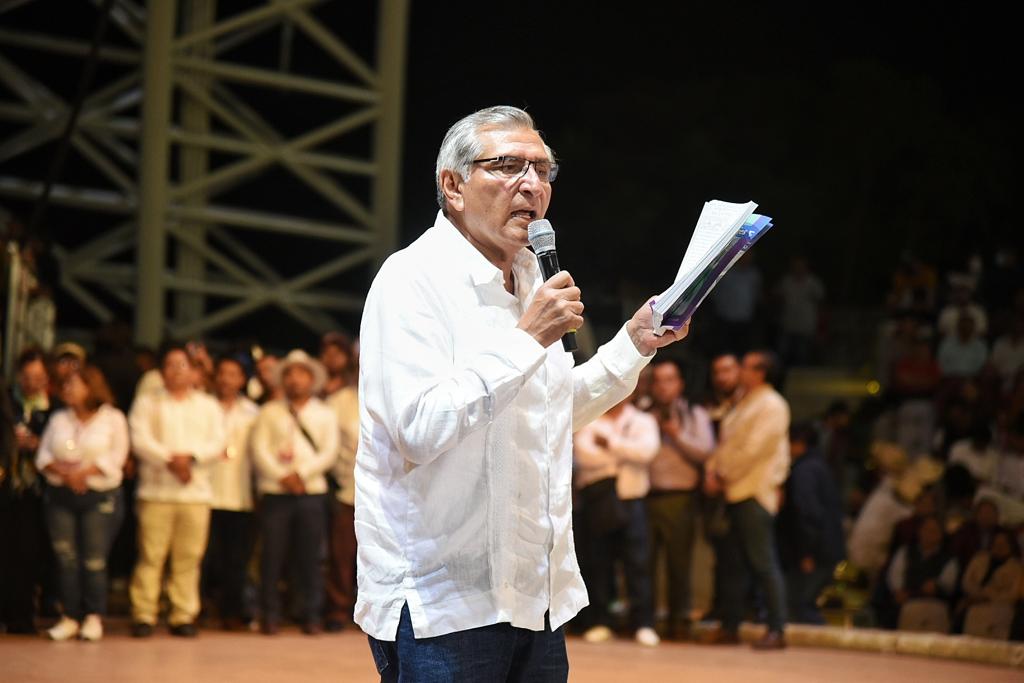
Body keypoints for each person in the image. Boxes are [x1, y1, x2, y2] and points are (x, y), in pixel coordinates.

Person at [355, 106, 689, 681]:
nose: (531, 184)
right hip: (443, 603)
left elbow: (548, 408)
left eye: (542, 170)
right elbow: (419, 428)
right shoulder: (411, 279)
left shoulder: (531, 277)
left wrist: (632, 345)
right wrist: (527, 337)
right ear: (452, 187)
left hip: (533, 594)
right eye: (507, 165)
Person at [128, 345, 226, 638]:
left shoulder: (208, 405)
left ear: (193, 370)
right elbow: (140, 438)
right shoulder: (148, 402)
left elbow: (217, 441)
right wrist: (170, 460)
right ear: (161, 371)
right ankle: (144, 613)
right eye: (170, 365)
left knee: (189, 557)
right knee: (151, 555)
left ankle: (183, 614)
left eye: (182, 365)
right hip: (156, 491)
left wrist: (191, 458)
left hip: (195, 493)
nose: (176, 370)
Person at [703, 350, 790, 649]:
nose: (740, 369)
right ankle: (731, 626)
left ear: (760, 372)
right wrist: (713, 470)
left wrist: (722, 472)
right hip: (735, 491)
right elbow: (727, 444)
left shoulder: (772, 404)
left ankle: (777, 629)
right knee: (733, 565)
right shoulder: (745, 402)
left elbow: (754, 450)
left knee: (763, 563)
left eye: (747, 366)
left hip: (754, 490)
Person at [35, 365, 128, 641]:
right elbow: (43, 456)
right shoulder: (59, 418)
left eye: (73, 384)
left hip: (99, 494)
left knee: (94, 559)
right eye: (65, 385)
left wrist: (85, 473)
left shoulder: (112, 418)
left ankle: (93, 615)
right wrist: (64, 473)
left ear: (91, 387)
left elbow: (117, 457)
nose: (67, 389)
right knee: (66, 558)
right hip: (61, 495)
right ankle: (69, 615)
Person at [251, 349, 338, 635]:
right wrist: (281, 476)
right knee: (272, 556)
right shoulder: (269, 411)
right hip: (276, 493)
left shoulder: (324, 413)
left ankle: (311, 614)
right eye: (288, 374)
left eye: (300, 373)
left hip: (311, 492)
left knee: (310, 557)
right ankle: (270, 614)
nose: (294, 379)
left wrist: (302, 474)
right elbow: (259, 449)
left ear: (312, 379)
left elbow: (329, 451)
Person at [572, 397, 661, 646]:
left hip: (632, 500)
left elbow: (646, 453)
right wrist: (624, 453)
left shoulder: (642, 420)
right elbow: (585, 456)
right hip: (599, 501)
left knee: (638, 564)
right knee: (599, 562)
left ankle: (643, 623)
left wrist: (609, 443)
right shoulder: (589, 419)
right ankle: (601, 621)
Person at [645, 358, 714, 640]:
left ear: (680, 383)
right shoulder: (642, 413)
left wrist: (677, 435)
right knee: (643, 564)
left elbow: (706, 451)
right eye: (658, 380)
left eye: (670, 379)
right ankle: (645, 622)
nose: (663, 386)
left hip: (680, 496)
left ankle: (678, 621)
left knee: (679, 564)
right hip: (646, 496)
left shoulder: (693, 414)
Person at [203, 355, 260, 630]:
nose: (227, 379)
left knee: (236, 559)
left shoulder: (252, 412)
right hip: (204, 491)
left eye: (233, 374)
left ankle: (232, 612)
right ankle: (199, 609)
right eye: (222, 372)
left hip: (239, 493)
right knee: (204, 557)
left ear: (242, 379)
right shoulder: (203, 406)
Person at [777, 422, 844, 625]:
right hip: (823, 547)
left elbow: (808, 513)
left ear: (798, 443)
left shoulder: (805, 470)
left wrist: (807, 552)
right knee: (801, 605)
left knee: (800, 606)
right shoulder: (819, 466)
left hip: (813, 551)